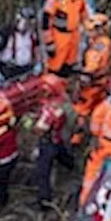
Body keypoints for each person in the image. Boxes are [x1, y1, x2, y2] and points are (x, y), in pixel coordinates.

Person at [29, 74, 76, 211]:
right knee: (62, 154)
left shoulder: (50, 110)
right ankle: (71, 165)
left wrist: (30, 123)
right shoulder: (62, 102)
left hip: (48, 142)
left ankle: (44, 200)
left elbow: (40, 129)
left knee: (43, 172)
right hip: (58, 138)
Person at [71, 14, 111, 146]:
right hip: (102, 83)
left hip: (92, 86)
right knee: (99, 108)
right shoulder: (106, 42)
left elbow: (88, 72)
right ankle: (99, 132)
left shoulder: (96, 50)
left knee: (80, 111)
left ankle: (76, 138)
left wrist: (78, 88)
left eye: (91, 31)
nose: (89, 33)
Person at [41, 0, 90, 76]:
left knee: (69, 68)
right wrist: (49, 42)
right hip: (59, 37)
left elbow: (84, 16)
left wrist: (89, 34)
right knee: (54, 69)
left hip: (74, 36)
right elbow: (45, 20)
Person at [0, 7, 40, 86]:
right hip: (9, 70)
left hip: (26, 70)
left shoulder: (32, 33)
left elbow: (36, 48)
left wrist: (38, 63)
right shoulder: (6, 32)